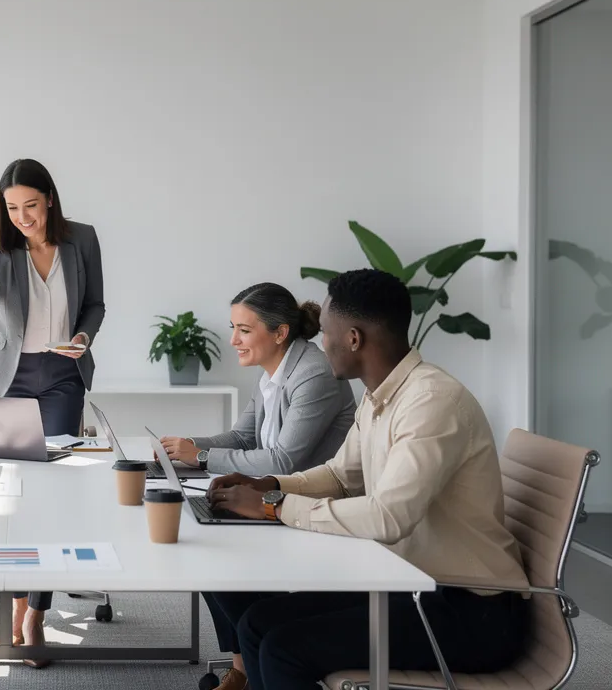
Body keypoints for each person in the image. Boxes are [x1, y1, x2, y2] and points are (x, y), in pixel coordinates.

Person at [206, 269, 530, 690]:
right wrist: (268, 485)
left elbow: (389, 518)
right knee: (256, 624)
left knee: (284, 647)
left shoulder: (431, 402)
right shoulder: (377, 397)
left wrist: (274, 506)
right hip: (406, 582)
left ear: (354, 339)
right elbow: (341, 476)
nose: (321, 345)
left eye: (325, 333)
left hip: (467, 609)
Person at [0, 157, 105, 665]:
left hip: (62, 378)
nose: (23, 217)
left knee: (51, 493)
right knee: (10, 493)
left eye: (31, 205)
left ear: (49, 198)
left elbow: (95, 304)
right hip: (7, 376)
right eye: (12, 208)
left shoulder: (84, 239)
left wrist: (82, 337)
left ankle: (33, 613)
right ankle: (15, 599)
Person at [154, 282, 355, 683]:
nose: (233, 340)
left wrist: (204, 456)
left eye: (244, 330)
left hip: (312, 507)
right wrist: (189, 446)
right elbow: (242, 437)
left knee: (215, 553)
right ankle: (243, 666)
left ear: (279, 333)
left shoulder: (313, 374)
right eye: (234, 328)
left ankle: (249, 663)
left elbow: (284, 458)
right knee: (204, 541)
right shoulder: (272, 373)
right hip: (273, 496)